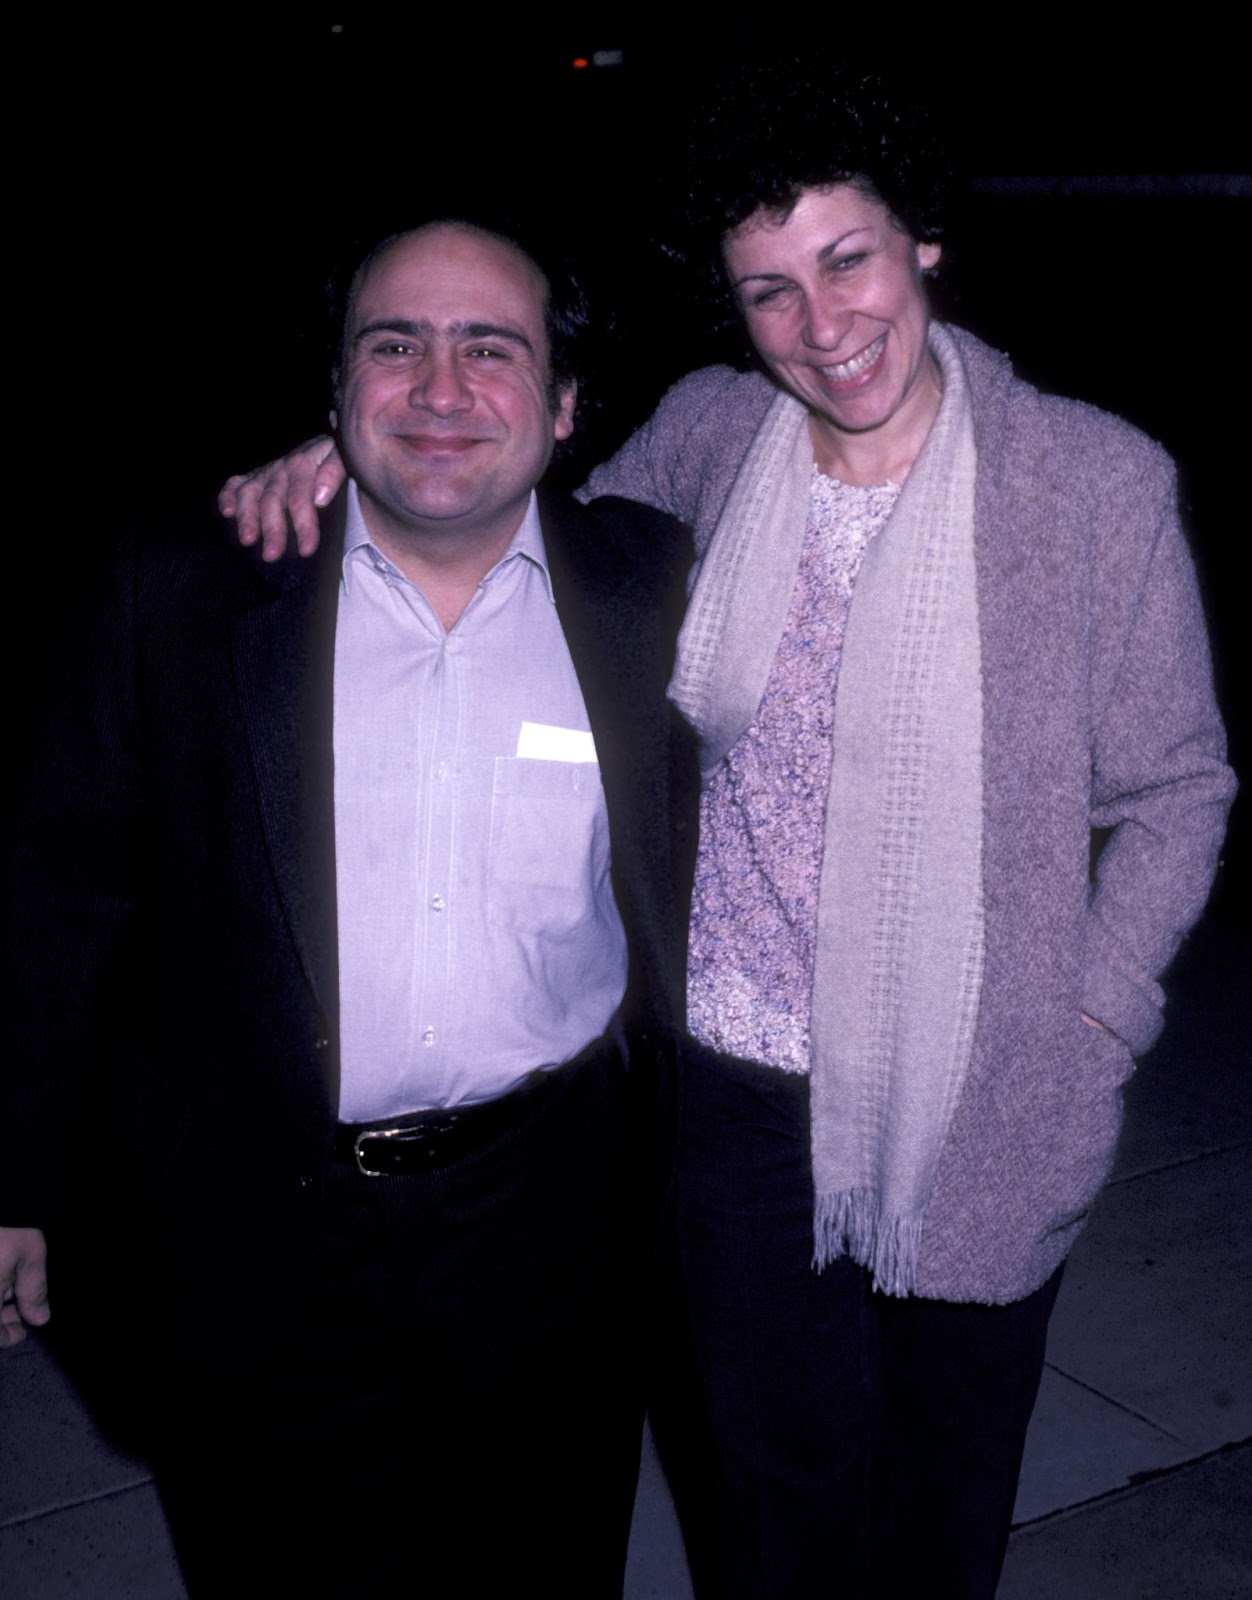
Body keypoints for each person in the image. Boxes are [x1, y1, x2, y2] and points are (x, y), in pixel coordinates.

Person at [216, 64, 1235, 1600]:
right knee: (771, 1514)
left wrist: (1093, 1012)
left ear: (925, 247)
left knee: (940, 1516)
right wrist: (350, 467)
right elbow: (528, 551)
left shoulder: (1092, 484)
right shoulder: (714, 436)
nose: (822, 328)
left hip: (986, 1079)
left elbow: (1176, 787)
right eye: (769, 292)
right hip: (732, 1093)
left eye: (848, 261)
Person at [0, 217, 698, 1597]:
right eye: (396, 347)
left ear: (564, 405)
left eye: (490, 350)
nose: (440, 391)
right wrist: (13, 1179)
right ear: (332, 395)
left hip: (553, 1225)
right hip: (261, 1225)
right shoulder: (181, 589)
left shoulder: (656, 589)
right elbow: (57, 890)